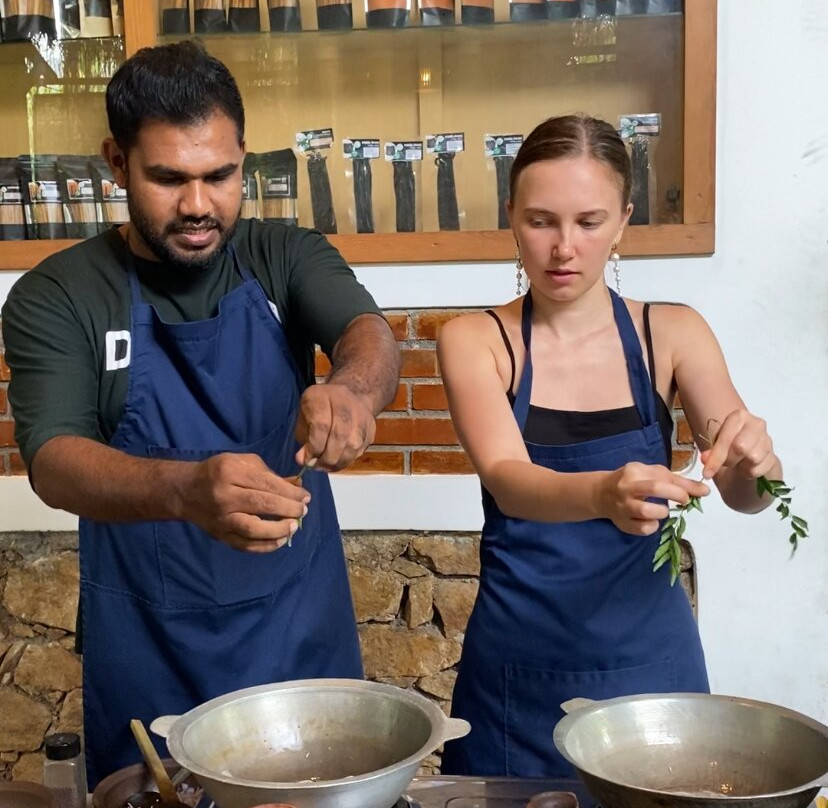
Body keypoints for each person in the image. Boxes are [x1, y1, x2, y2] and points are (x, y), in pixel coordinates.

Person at [1, 41, 400, 787]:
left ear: (243, 158)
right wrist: (187, 489)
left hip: (297, 639)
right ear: (116, 163)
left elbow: (367, 334)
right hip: (154, 654)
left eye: (220, 175)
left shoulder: (285, 256)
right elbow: (53, 459)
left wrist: (353, 390)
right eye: (168, 178)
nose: (198, 205)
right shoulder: (58, 296)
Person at [437, 115, 781, 778]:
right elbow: (510, 478)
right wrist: (601, 492)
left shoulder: (673, 334)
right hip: (518, 671)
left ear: (623, 221)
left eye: (589, 222)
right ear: (510, 216)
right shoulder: (477, 340)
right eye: (541, 221)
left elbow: (747, 495)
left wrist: (758, 465)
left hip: (651, 665)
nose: (564, 247)